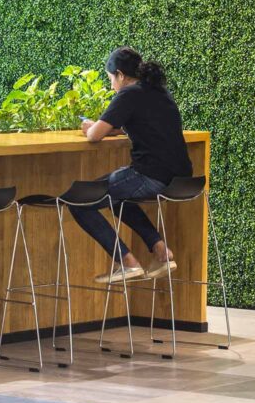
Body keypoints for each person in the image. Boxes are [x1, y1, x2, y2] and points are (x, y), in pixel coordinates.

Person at [77, 47, 193, 283]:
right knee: (118, 198)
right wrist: (109, 128)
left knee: (79, 199)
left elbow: (94, 136)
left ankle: (128, 263)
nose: (111, 86)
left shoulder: (128, 94)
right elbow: (139, 124)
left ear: (120, 75)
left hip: (152, 176)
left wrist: (91, 126)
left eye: (111, 79)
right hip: (181, 179)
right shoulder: (158, 91)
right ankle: (162, 253)